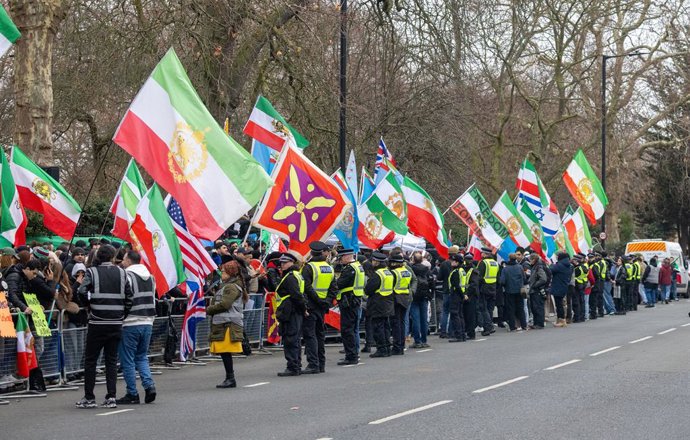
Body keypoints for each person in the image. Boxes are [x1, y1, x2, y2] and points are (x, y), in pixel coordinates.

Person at [76, 245, 133, 409]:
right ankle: (111, 396)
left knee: (91, 361)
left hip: (97, 322)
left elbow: (81, 290)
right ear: (113, 256)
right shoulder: (122, 273)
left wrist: (88, 305)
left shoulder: (92, 272)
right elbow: (130, 297)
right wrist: (122, 314)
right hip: (116, 323)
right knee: (111, 361)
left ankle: (89, 397)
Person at [116, 251, 157, 403]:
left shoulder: (126, 276)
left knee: (128, 360)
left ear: (128, 260)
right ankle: (149, 386)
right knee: (141, 357)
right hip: (147, 320)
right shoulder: (151, 277)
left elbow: (124, 298)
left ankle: (132, 393)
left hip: (130, 322)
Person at [207, 257, 246, 388]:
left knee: (225, 352)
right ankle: (230, 377)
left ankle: (230, 378)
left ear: (230, 273)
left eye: (223, 272)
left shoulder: (232, 287)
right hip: (224, 324)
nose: (221, 274)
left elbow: (225, 304)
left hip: (228, 324)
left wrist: (209, 309)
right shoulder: (228, 286)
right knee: (224, 353)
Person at [301, 241, 337, 374]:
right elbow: (334, 288)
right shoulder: (329, 267)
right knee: (320, 335)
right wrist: (326, 301)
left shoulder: (309, 267)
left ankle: (313, 364)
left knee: (310, 335)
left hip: (312, 305)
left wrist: (318, 300)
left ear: (311, 253)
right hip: (322, 306)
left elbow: (306, 287)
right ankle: (321, 364)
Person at [275, 253, 307, 377]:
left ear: (291, 263)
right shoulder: (296, 274)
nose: (282, 265)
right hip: (293, 311)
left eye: (284, 262)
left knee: (290, 339)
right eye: (281, 263)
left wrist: (303, 308)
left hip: (291, 312)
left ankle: (293, 366)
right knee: (295, 339)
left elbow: (296, 295)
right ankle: (296, 365)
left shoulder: (290, 277)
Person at [336, 248, 365, 365]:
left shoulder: (349, 269)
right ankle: (353, 354)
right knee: (353, 329)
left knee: (347, 330)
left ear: (347, 256)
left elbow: (340, 284)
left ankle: (351, 356)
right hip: (355, 300)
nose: (340, 260)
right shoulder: (358, 266)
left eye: (341, 257)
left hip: (349, 301)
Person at [365, 253, 394, 358]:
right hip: (388, 302)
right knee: (386, 326)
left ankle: (381, 349)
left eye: (373, 261)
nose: (372, 262)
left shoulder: (377, 274)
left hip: (378, 302)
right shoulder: (389, 272)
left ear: (376, 262)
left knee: (378, 327)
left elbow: (368, 289)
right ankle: (387, 348)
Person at [388, 253, 414, 355]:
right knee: (402, 322)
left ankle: (397, 346)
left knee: (396, 323)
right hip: (405, 298)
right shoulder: (407, 272)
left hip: (396, 298)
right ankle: (401, 345)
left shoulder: (393, 273)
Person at [473, 248, 498, 336]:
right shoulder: (495, 263)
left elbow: (479, 276)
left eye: (482, 253)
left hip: (484, 287)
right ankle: (490, 326)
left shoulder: (483, 262)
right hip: (493, 287)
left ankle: (488, 327)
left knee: (483, 308)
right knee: (490, 309)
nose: (481, 254)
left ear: (485, 254)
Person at [409, 252, 432, 348]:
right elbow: (431, 282)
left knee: (416, 319)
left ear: (413, 260)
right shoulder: (426, 270)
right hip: (424, 296)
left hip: (414, 296)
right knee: (424, 319)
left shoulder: (411, 270)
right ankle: (424, 340)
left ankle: (417, 341)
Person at [501, 253, 526, 331]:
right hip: (519, 291)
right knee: (521, 308)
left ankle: (512, 326)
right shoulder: (520, 267)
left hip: (509, 291)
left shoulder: (505, 269)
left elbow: (502, 281)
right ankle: (523, 325)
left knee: (511, 309)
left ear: (509, 259)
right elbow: (524, 278)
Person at [438, 245, 459, 338]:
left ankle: (443, 331)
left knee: (445, 311)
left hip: (446, 289)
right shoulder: (458, 264)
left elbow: (439, 277)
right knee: (453, 311)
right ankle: (451, 331)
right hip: (454, 290)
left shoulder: (444, 264)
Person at [447, 254, 466, 342]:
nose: (451, 262)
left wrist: (462, 295)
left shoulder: (455, 272)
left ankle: (458, 335)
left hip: (456, 295)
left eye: (453, 261)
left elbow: (456, 285)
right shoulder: (462, 270)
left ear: (457, 262)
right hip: (460, 295)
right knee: (460, 315)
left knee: (455, 315)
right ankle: (462, 334)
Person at [549, 252, 572, 328]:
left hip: (558, 286)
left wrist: (552, 264)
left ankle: (561, 320)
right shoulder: (569, 265)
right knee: (560, 304)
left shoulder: (559, 265)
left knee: (559, 305)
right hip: (564, 285)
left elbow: (551, 270)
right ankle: (561, 319)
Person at [527, 254, 548, 329]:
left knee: (538, 307)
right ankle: (536, 323)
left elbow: (543, 279)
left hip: (537, 290)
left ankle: (539, 323)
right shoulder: (535, 266)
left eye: (530, 259)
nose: (529, 261)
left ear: (534, 259)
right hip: (534, 290)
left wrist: (535, 285)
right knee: (534, 307)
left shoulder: (539, 267)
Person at [463, 254, 478, 339]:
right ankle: (467, 331)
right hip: (465, 294)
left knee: (470, 315)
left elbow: (473, 284)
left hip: (471, 295)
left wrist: (467, 294)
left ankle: (471, 333)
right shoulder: (464, 269)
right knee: (466, 314)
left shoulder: (473, 270)